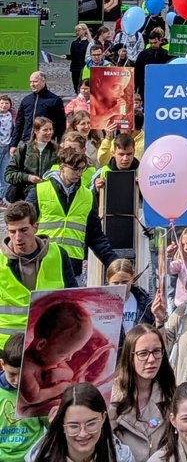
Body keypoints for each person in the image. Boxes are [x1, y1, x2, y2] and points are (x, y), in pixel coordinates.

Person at [27, 142, 119, 274]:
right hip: (43, 261)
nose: (79, 173)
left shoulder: (87, 196)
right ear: (62, 167)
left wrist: (114, 263)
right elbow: (24, 224)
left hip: (72, 266)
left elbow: (95, 237)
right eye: (75, 169)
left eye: (82, 169)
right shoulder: (40, 190)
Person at [0, 201, 77, 346]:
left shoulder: (58, 255)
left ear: (35, 227)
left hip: (49, 342)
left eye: (23, 230)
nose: (18, 237)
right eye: (12, 232)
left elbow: (73, 298)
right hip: (7, 347)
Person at [110, 326, 176, 462]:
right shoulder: (112, 397)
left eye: (156, 351)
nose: (151, 359)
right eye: (143, 353)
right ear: (130, 357)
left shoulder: (170, 393)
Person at [32, 382, 135, 462]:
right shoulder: (40, 458)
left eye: (91, 424)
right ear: (62, 425)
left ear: (103, 418)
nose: (83, 434)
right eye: (74, 426)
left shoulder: (121, 457)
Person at [0, 333, 44, 462]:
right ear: (2, 364)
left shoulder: (40, 391)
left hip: (32, 456)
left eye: (23, 374)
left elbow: (50, 423)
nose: (17, 381)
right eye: (12, 374)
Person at [5, 118, 58, 203]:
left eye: (51, 129)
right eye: (45, 130)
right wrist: (28, 177)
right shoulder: (24, 148)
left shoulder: (57, 150)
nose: (49, 132)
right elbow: (9, 174)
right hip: (26, 195)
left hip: (49, 195)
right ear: (36, 131)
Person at [10, 74, 66, 151]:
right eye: (30, 82)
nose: (32, 84)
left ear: (43, 81)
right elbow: (19, 123)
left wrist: (61, 143)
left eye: (35, 81)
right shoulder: (26, 100)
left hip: (46, 143)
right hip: (28, 142)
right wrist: (14, 144)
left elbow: (61, 125)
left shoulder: (54, 100)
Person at [107, 259, 154, 341]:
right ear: (108, 280)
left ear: (132, 278)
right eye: (116, 283)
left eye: (125, 282)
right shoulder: (100, 303)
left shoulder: (145, 302)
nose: (121, 286)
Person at [69, 25, 93, 96]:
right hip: (74, 67)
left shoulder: (88, 43)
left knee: (83, 84)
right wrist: (67, 56)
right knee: (75, 85)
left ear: (84, 30)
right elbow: (73, 56)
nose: (77, 32)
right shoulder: (74, 43)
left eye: (79, 30)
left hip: (83, 67)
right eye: (76, 31)